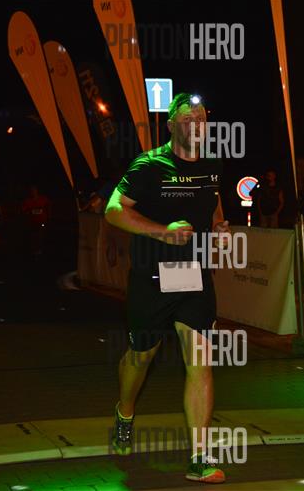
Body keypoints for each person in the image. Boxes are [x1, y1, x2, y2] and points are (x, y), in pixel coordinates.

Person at [105, 93, 229, 483]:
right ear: (171, 124)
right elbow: (113, 210)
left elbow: (214, 206)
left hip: (194, 276)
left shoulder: (212, 166)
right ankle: (125, 412)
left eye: (202, 118)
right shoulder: (149, 165)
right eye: (188, 118)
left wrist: (220, 229)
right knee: (141, 357)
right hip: (152, 278)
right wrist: (163, 232)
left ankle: (200, 457)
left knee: (201, 362)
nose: (196, 124)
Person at [21, 186, 51, 256]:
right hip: (32, 222)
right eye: (31, 191)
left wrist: (48, 216)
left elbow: (48, 206)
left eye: (34, 190)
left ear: (37, 191)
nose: (33, 192)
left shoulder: (43, 199)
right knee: (33, 237)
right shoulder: (27, 201)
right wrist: (28, 212)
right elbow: (23, 210)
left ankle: (40, 250)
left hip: (41, 221)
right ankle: (33, 251)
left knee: (41, 236)